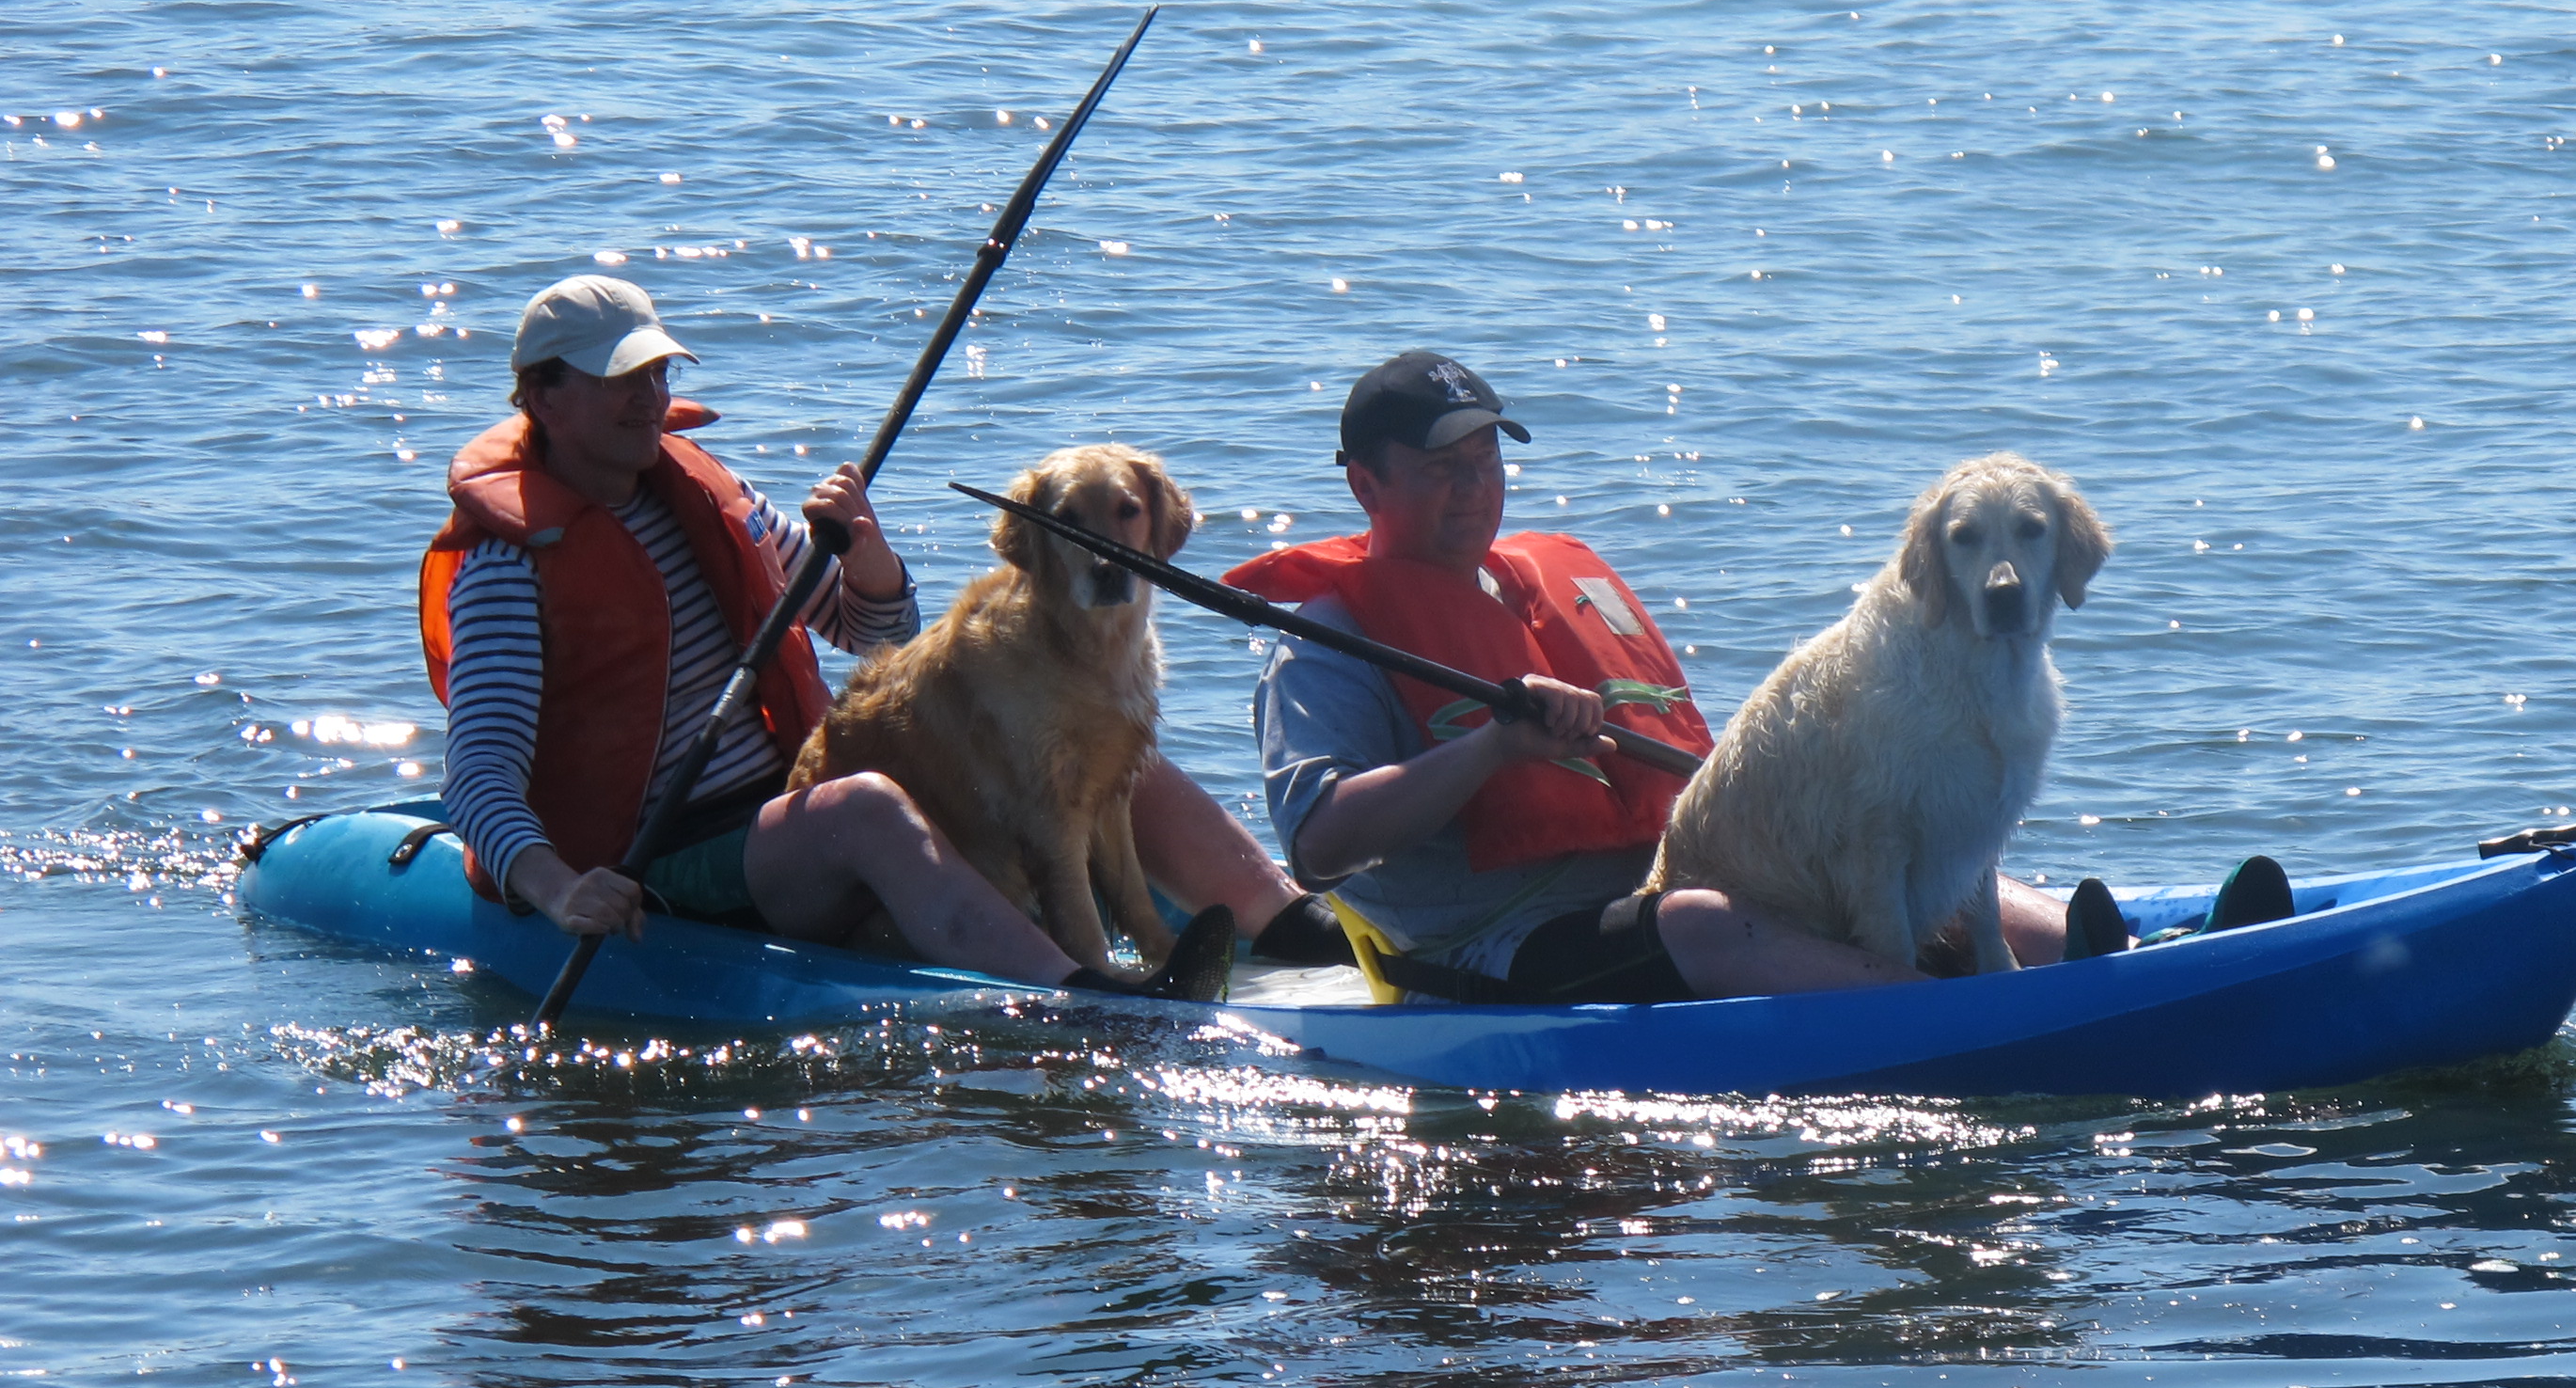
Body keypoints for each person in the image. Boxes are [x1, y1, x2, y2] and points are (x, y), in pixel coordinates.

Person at [421, 274, 1315, 994]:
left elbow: (873, 630)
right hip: (672, 853)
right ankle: (1086, 995)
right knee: (870, 808)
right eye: (620, 380)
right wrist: (560, 889)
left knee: (1110, 747)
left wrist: (871, 562)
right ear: (542, 397)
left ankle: (1291, 924)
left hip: (787, 800)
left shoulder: (703, 494)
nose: (650, 398)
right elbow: (479, 777)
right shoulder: (509, 570)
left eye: (658, 374)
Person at [1233, 349, 2073, 1003]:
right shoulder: (1328, 644)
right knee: (1702, 923)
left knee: (1941, 859)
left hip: (1675, 880)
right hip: (1498, 948)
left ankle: (2102, 954)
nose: (1473, 488)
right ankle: (1934, 1011)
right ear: (1366, 484)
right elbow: (1319, 845)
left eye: (1486, 461)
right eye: (1441, 468)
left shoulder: (1540, 589)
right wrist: (1492, 748)